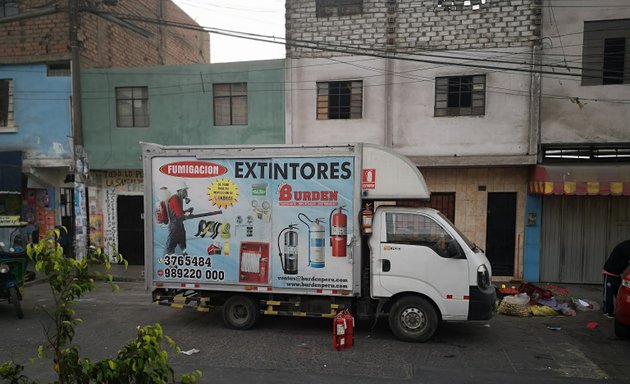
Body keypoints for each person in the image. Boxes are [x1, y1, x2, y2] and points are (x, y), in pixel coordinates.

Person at [602, 238, 630, 318]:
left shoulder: (626, 245)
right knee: (608, 294)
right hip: (609, 272)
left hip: (617, 273)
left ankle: (617, 310)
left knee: (618, 293)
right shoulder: (626, 247)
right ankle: (607, 311)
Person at [165, 183, 193, 255]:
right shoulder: (175, 198)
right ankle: (172, 264)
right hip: (175, 226)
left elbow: (179, 212)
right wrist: (187, 216)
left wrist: (187, 211)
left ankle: (185, 256)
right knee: (171, 245)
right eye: (185, 191)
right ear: (180, 191)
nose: (186, 193)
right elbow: (179, 215)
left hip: (178, 225)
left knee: (182, 242)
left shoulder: (178, 199)